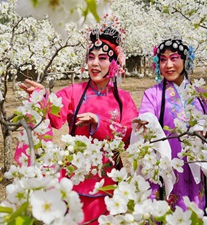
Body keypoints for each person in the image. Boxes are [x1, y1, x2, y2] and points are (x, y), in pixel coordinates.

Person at [15, 14, 138, 224]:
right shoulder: (74, 92)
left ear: (114, 63)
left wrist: (98, 123)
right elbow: (54, 114)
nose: (95, 64)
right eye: (91, 58)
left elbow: (129, 135)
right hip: (75, 173)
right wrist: (42, 97)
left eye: (102, 58)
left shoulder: (123, 99)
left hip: (109, 177)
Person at [132, 37, 207, 211]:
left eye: (174, 58)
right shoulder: (153, 94)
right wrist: (147, 122)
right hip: (165, 166)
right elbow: (146, 113)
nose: (168, 65)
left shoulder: (202, 96)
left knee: (191, 211)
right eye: (163, 59)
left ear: (186, 61)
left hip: (192, 168)